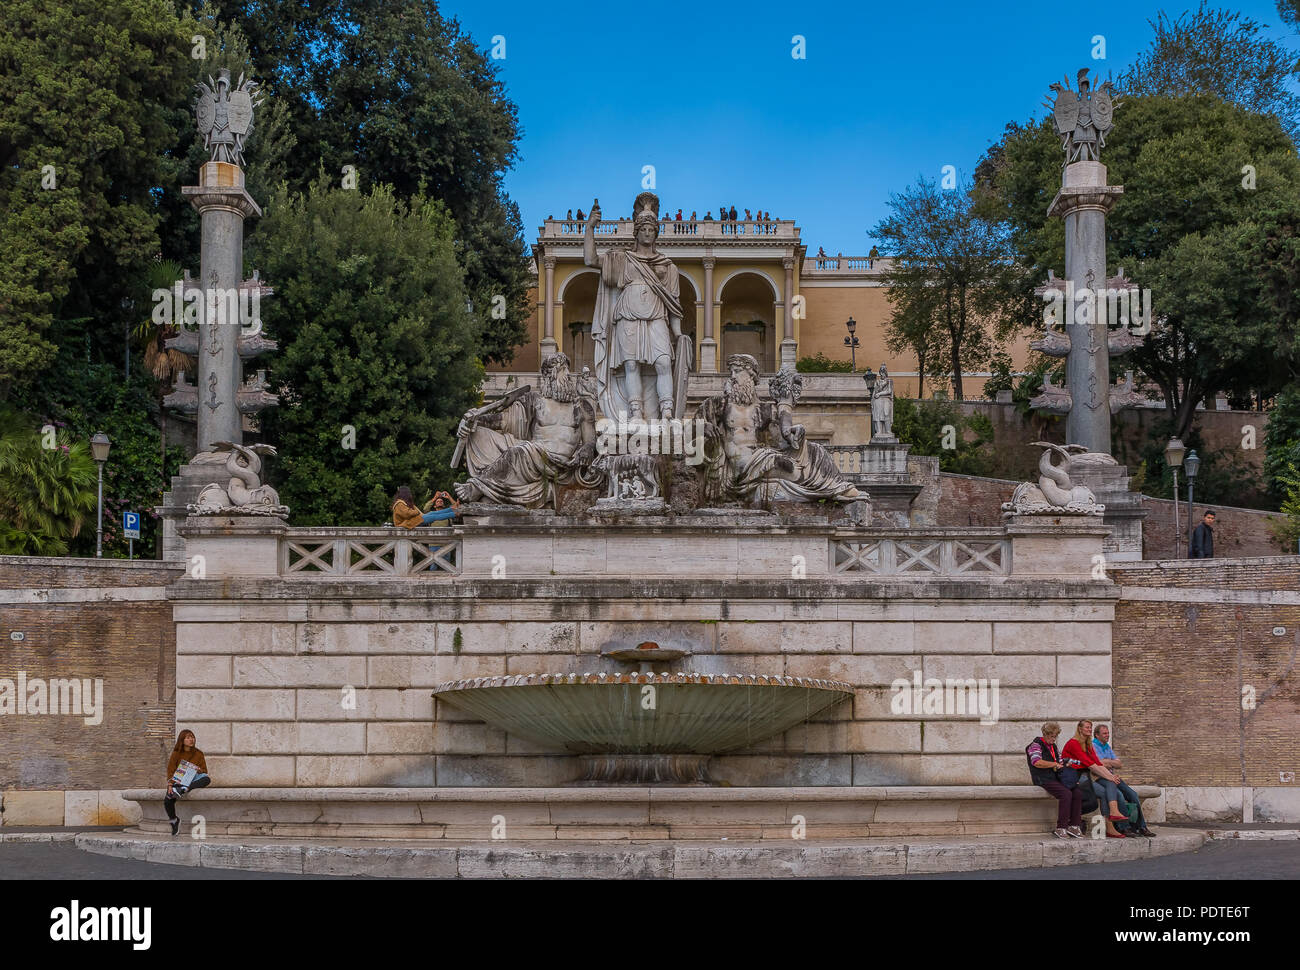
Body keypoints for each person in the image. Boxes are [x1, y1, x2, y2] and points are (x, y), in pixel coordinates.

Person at [1062, 719, 1129, 838]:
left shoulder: (1088, 745)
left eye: (1090, 727)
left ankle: (1111, 823)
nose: (1089, 729)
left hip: (1084, 775)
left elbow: (1097, 763)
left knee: (1106, 789)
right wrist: (1110, 777)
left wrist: (1111, 777)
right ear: (1080, 729)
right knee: (1104, 789)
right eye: (1087, 727)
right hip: (1072, 775)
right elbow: (1090, 764)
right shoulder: (1074, 743)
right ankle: (1112, 816)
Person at [1093, 723, 1156, 837]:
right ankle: (1124, 827)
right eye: (1104, 733)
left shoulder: (1107, 746)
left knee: (1133, 795)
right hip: (1100, 778)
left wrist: (1108, 762)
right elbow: (1098, 764)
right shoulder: (1093, 746)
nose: (1107, 735)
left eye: (1108, 733)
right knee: (1119, 795)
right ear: (1097, 735)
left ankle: (1141, 826)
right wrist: (1110, 763)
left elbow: (1119, 764)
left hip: (1113, 778)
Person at [1026, 722, 1083, 838]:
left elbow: (1060, 761)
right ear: (1045, 734)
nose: (1054, 739)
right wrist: (1054, 764)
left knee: (1077, 792)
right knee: (1065, 794)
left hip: (1056, 777)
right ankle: (1061, 827)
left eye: (1055, 736)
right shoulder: (1035, 745)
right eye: (1051, 736)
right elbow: (1037, 762)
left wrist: (1069, 763)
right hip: (1042, 778)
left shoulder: (1053, 747)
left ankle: (1074, 825)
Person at [164, 729, 210, 836]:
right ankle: (174, 820)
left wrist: (199, 770)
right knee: (168, 799)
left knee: (206, 779)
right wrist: (170, 784)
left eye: (192, 737)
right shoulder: (176, 753)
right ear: (182, 740)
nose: (191, 739)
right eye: (188, 737)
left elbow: (204, 771)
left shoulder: (199, 753)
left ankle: (186, 788)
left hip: (192, 779)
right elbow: (171, 770)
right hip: (179, 780)